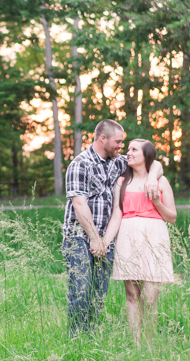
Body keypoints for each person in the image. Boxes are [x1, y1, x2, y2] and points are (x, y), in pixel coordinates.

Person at [62, 120, 163, 336]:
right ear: (103, 139)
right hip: (79, 237)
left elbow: (152, 161)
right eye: (118, 142)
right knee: (81, 290)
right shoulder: (80, 164)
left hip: (107, 239)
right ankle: (76, 339)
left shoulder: (117, 162)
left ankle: (92, 338)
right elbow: (79, 205)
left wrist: (153, 177)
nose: (121, 147)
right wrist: (93, 238)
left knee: (99, 293)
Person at [103, 138, 176, 345]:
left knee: (151, 297)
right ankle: (135, 343)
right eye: (128, 149)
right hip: (128, 235)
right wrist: (106, 241)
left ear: (146, 155)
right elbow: (117, 214)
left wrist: (155, 202)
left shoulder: (161, 182)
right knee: (131, 293)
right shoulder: (122, 181)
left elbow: (172, 217)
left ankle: (149, 342)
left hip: (154, 236)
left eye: (134, 149)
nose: (128, 153)